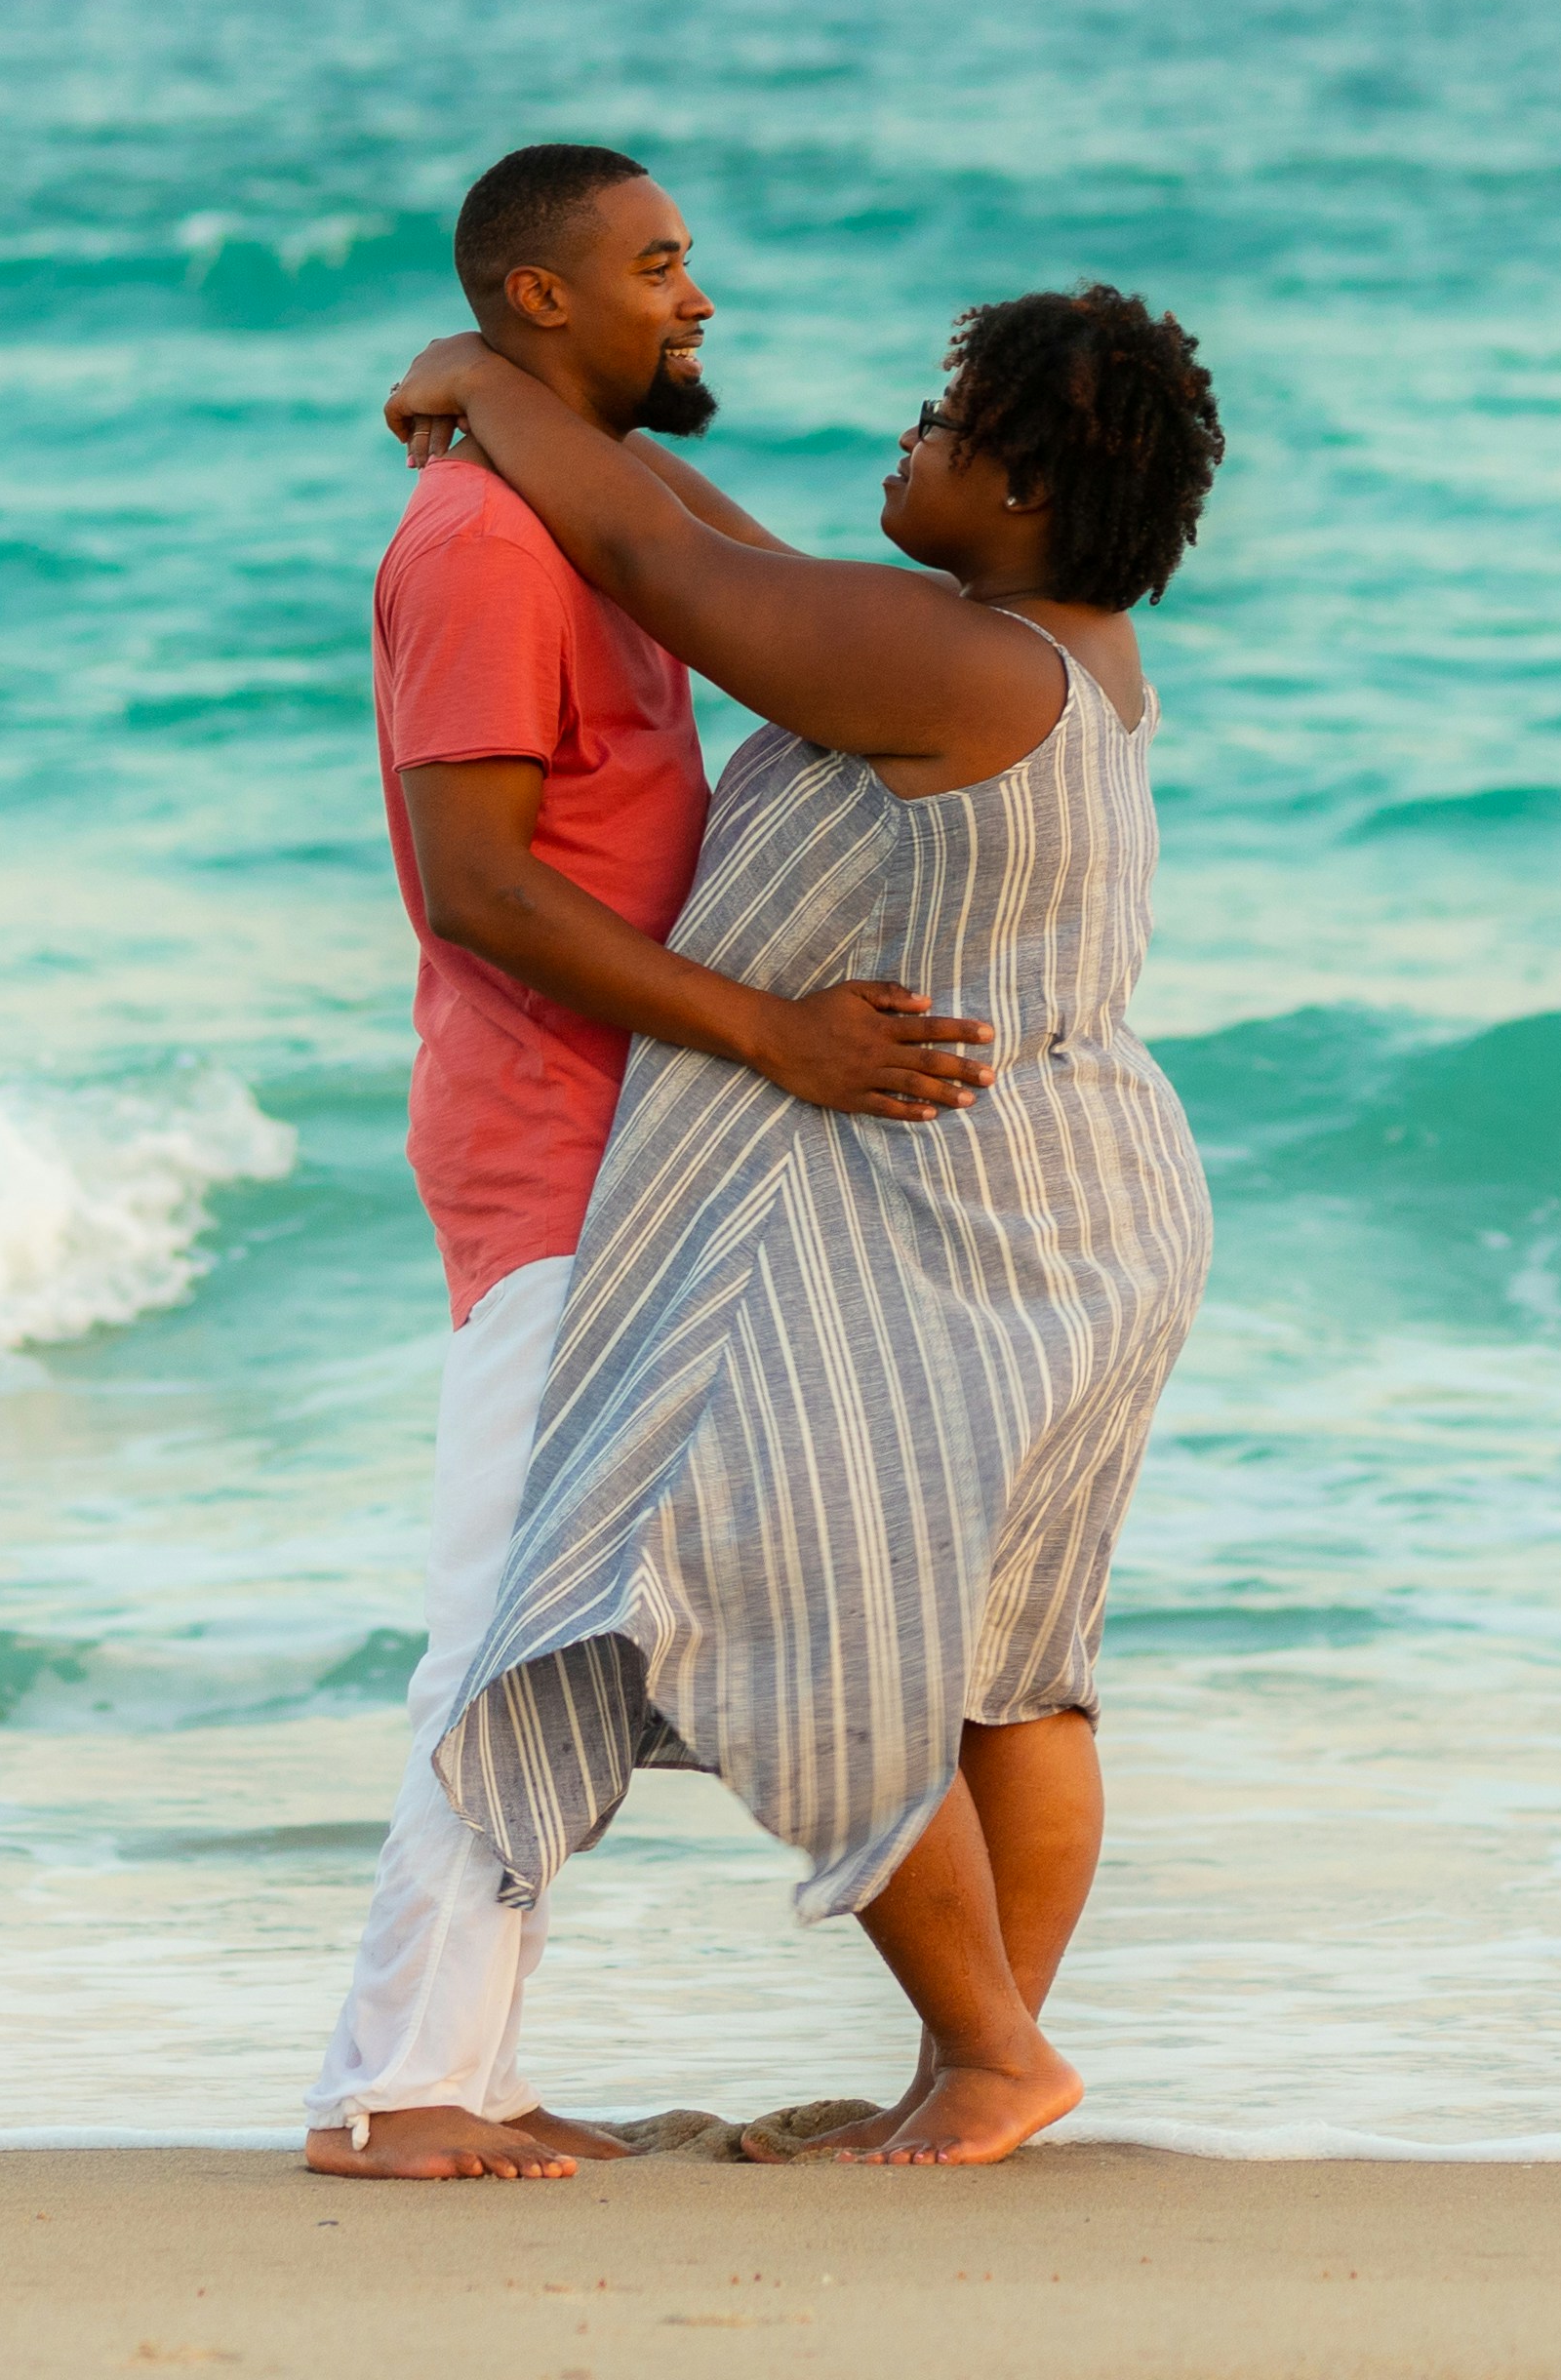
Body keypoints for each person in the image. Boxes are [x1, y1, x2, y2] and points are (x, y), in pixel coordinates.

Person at [383, 277, 1226, 2170]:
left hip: (984, 1201)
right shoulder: (1042, 643)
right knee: (1015, 1660)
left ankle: (992, 2054)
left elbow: (646, 558)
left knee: (796, 1602)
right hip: (1079, 1184)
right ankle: (982, 2067)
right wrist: (558, 428)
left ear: (1010, 490)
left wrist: (481, 390)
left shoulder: (956, 672)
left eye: (942, 430)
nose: (904, 444)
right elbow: (717, 548)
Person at [300, 143, 1007, 2185]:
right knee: (500, 1618)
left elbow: (743, 560)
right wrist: (778, 1037)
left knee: (572, 1627)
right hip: (549, 1150)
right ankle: (395, 2086)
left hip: (631, 1159)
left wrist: (470, 375)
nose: (694, 298)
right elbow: (481, 892)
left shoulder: (570, 523)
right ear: (543, 300)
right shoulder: (483, 552)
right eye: (656, 267)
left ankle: (461, 2064)